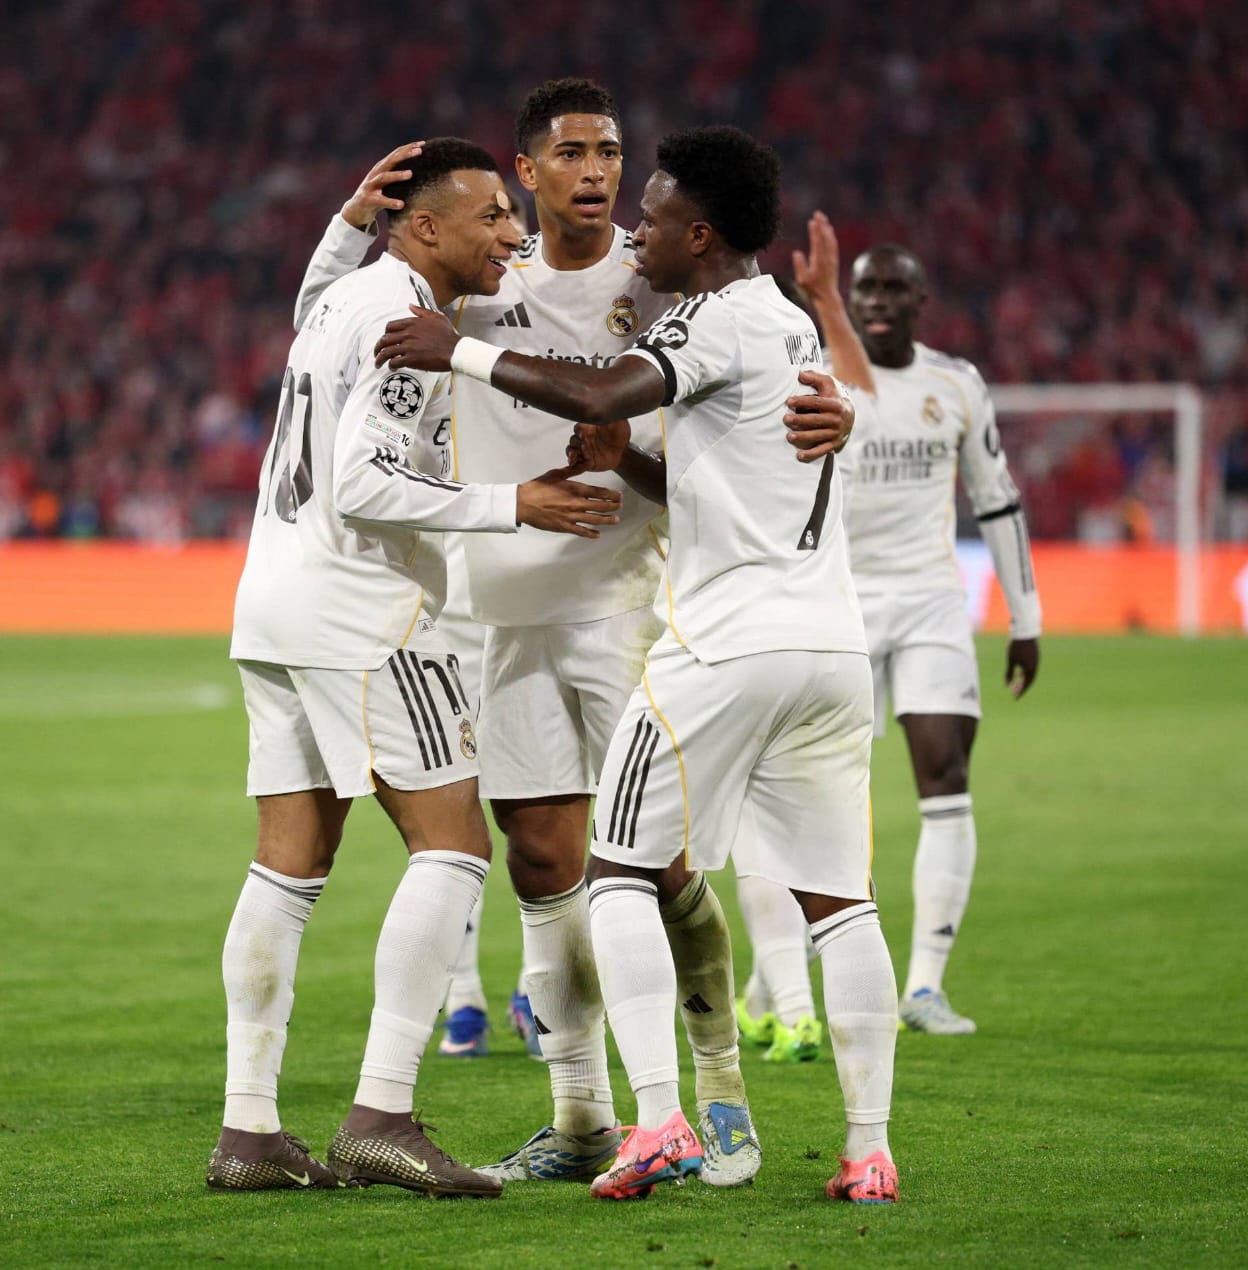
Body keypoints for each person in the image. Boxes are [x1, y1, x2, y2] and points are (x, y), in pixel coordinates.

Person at [294, 79, 849, 1187]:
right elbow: (328, 326)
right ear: (526, 171)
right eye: (572, 153)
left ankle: (718, 1092)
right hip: (496, 612)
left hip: (626, 598)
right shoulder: (478, 271)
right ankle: (582, 1114)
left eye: (609, 152)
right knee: (543, 864)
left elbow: (774, 350)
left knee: (656, 865)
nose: (596, 171)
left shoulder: (656, 274)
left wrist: (843, 410)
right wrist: (350, 224)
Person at [208, 138, 622, 1196]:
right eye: (492, 216)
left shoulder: (343, 299)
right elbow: (365, 483)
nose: (514, 232)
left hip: (273, 598)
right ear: (425, 227)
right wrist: (513, 503)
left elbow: (308, 308)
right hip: (367, 614)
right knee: (454, 846)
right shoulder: (404, 323)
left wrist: (347, 223)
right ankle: (380, 1115)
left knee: (288, 864)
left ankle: (249, 1130)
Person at [738, 214, 1042, 1037]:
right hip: (838, 602)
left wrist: (1025, 616)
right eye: (864, 287)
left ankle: (926, 987)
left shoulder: (957, 383)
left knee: (945, 775)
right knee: (826, 796)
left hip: (933, 601)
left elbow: (997, 497)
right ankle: (778, 974)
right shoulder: (813, 370)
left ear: (920, 299)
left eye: (891, 287)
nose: (875, 300)